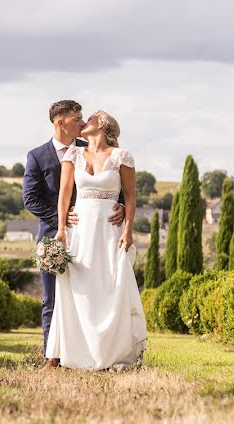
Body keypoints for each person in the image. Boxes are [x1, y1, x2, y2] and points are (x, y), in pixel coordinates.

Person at [23, 100, 124, 368]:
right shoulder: (37, 155)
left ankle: (89, 354)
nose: (81, 122)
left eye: (83, 118)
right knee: (51, 298)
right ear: (60, 123)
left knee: (88, 293)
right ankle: (52, 357)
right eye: (76, 118)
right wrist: (62, 218)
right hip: (52, 235)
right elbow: (30, 198)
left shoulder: (89, 150)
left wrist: (122, 207)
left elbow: (116, 185)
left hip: (92, 236)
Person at [44, 110, 148, 370]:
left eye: (88, 118)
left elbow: (131, 197)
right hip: (80, 230)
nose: (83, 122)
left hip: (109, 231)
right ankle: (77, 354)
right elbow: (64, 195)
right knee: (79, 287)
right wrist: (61, 229)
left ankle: (110, 351)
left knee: (109, 285)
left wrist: (128, 229)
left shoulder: (122, 157)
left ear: (101, 124)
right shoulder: (73, 155)